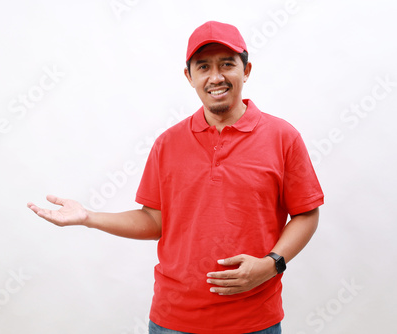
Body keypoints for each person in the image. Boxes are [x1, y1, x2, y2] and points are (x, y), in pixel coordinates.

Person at [27, 21, 324, 334]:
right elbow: (154, 222)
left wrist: (272, 263)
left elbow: (306, 212)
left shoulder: (282, 137)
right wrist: (89, 217)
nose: (216, 77)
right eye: (203, 66)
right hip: (174, 321)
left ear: (246, 70)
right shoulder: (168, 143)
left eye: (227, 64)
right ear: (189, 77)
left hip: (253, 320)